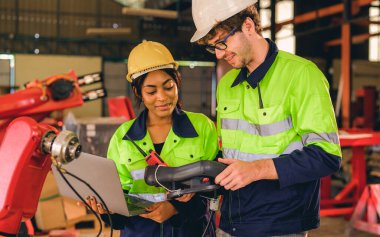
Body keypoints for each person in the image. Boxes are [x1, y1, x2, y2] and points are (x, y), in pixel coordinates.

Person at [190, 1, 342, 237]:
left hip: (280, 224)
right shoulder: (226, 86)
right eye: (213, 48)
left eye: (222, 43)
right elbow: (230, 154)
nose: (219, 54)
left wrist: (257, 170)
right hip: (230, 221)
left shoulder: (302, 75)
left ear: (248, 26)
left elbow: (326, 156)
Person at [86, 41, 219, 237]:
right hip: (139, 232)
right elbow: (119, 199)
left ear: (177, 83)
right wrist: (107, 210)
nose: (162, 97)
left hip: (190, 231)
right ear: (138, 92)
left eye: (168, 87)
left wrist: (176, 209)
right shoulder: (124, 137)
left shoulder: (202, 127)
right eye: (151, 91)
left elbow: (213, 189)